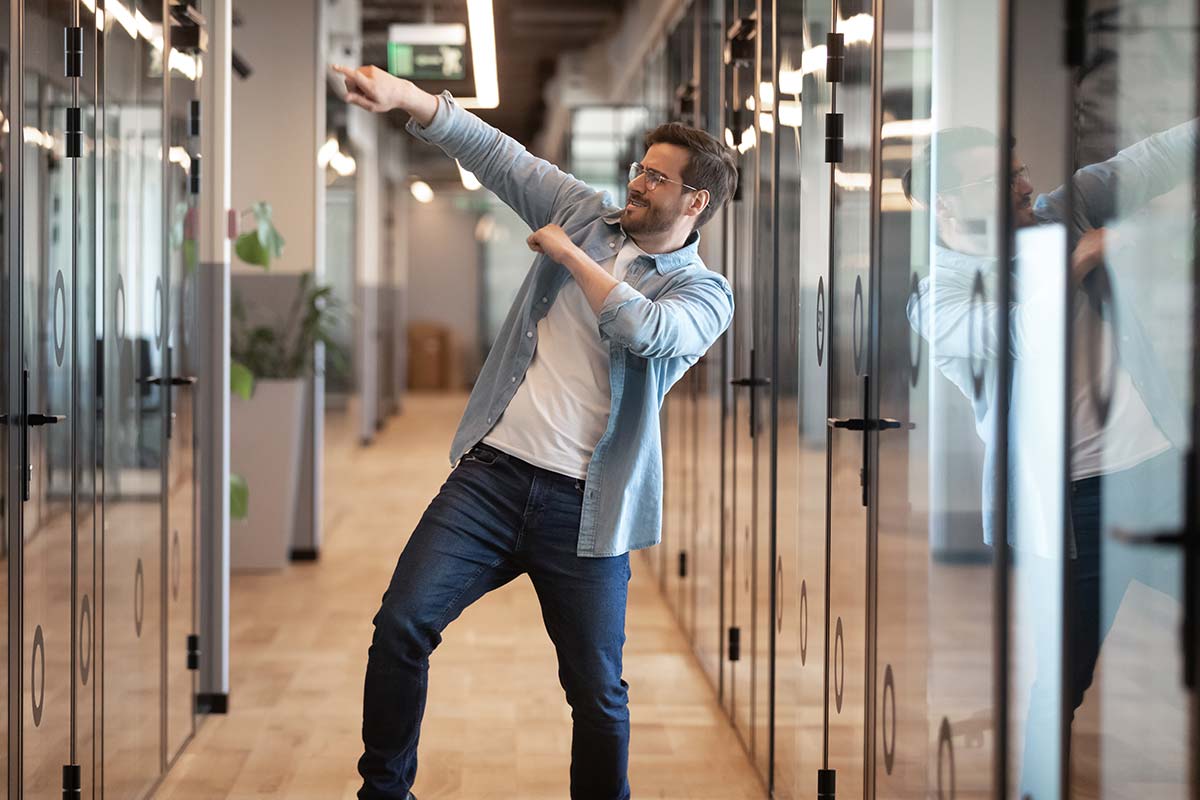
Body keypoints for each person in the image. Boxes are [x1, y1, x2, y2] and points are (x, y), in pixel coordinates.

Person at [331, 64, 738, 800]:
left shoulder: (703, 292)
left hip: (586, 510)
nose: (637, 183)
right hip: (491, 479)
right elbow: (497, 153)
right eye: (639, 169)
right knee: (400, 627)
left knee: (597, 693)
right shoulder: (583, 210)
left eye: (656, 177)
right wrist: (405, 99)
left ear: (695, 200)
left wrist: (571, 257)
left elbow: (647, 331)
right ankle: (383, 792)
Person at [903, 118, 1195, 794]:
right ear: (947, 205)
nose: (1025, 186)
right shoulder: (937, 297)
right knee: (1060, 680)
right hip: (1067, 508)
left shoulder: (1064, 210)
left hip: (1159, 472)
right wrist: (1082, 256)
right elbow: (1023, 336)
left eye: (1019, 168)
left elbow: (1155, 156)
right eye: (999, 180)